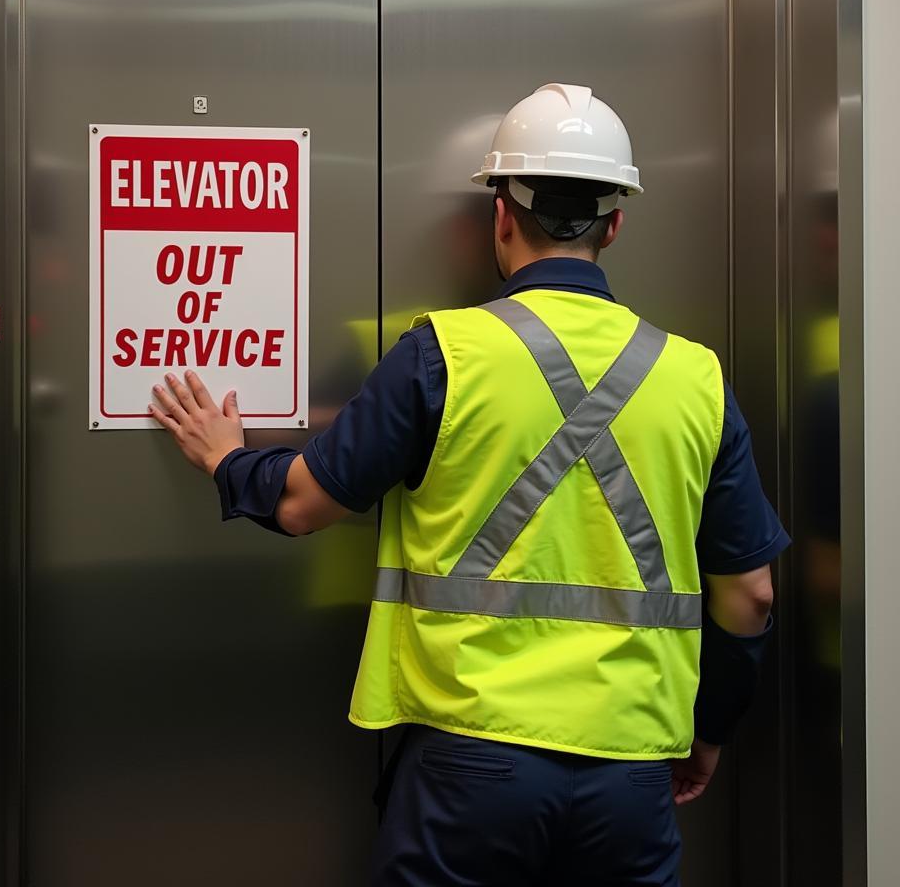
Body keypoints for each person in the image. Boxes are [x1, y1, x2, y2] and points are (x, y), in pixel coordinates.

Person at [149, 83, 789, 887]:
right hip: (631, 765)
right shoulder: (697, 378)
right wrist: (710, 730)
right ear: (616, 222)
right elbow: (752, 595)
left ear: (501, 215)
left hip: (469, 764)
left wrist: (227, 457)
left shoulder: (440, 354)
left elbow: (305, 503)